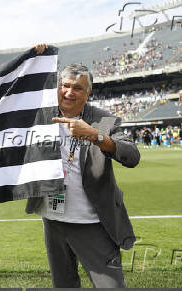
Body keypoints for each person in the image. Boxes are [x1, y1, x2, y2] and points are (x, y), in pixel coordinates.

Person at [27, 44, 141, 288]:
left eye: (77, 88)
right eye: (65, 86)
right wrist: (35, 59)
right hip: (53, 219)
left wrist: (96, 136)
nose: (69, 92)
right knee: (64, 284)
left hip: (91, 222)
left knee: (111, 286)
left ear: (88, 93)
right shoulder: (42, 117)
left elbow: (132, 156)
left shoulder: (102, 120)